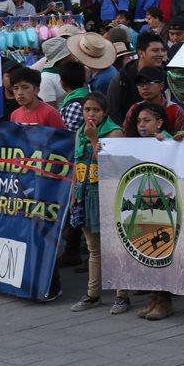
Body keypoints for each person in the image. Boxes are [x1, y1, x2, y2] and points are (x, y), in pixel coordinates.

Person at [68, 93, 124, 312]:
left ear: (105, 112)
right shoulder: (79, 133)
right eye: (87, 110)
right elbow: (76, 163)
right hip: (85, 193)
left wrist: (93, 139)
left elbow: (111, 164)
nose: (90, 114)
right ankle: (93, 294)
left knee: (114, 247)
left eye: (96, 110)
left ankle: (122, 295)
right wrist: (74, 193)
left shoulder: (115, 132)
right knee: (94, 248)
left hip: (107, 194)